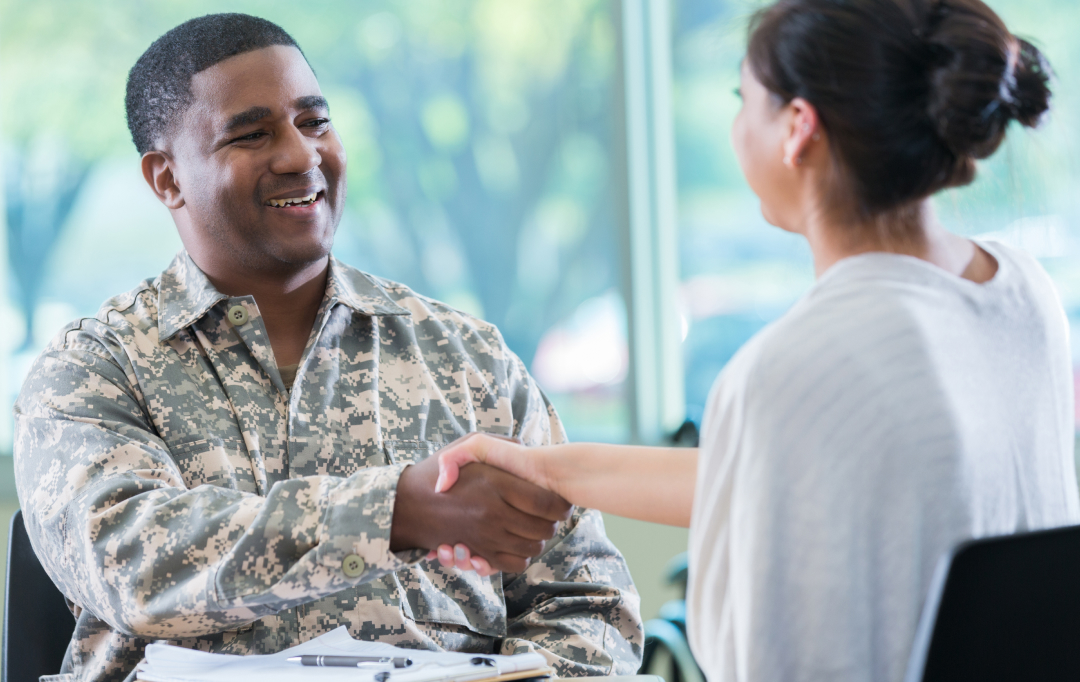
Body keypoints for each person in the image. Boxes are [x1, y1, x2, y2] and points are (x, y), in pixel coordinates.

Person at [430, 0, 1080, 680]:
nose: (738, 125)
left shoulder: (799, 364)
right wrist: (545, 467)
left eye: (746, 99)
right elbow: (766, 472)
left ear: (798, 128)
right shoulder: (1023, 293)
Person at [13, 13, 642, 681]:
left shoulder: (466, 359)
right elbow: (132, 564)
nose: (300, 155)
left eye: (314, 122)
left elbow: (589, 604)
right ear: (167, 178)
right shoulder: (91, 370)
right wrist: (394, 513)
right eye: (252, 134)